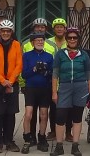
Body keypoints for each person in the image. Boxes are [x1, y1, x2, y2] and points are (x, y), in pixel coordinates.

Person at [51, 26, 90, 156]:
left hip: (80, 87)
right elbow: (55, 74)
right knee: (60, 116)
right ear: (66, 39)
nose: (72, 40)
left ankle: (75, 146)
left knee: (77, 117)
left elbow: (89, 74)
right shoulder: (60, 54)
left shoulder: (84, 55)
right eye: (69, 37)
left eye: (75, 37)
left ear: (78, 39)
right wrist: (54, 92)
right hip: (64, 86)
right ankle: (59, 146)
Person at [0, 19, 23, 153]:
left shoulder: (16, 45)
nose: (6, 33)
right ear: (0, 32)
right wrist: (2, 81)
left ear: (11, 32)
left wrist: (11, 80)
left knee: (10, 113)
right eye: (3, 31)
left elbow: (19, 64)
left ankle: (9, 140)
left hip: (12, 83)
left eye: (8, 31)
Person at [21, 17, 56, 149]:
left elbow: (52, 74)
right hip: (31, 88)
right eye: (37, 40)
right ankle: (27, 137)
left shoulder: (49, 56)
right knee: (28, 114)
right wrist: (34, 69)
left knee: (44, 114)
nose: (40, 42)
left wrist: (45, 71)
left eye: (42, 40)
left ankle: (41, 137)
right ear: (32, 42)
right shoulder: (27, 55)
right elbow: (24, 74)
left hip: (44, 88)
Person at [47, 17, 68, 141]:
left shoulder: (70, 41)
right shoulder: (48, 42)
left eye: (61, 27)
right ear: (53, 29)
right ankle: (53, 131)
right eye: (57, 27)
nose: (59, 29)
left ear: (65, 29)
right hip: (52, 79)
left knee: (68, 107)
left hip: (66, 79)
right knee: (53, 108)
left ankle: (69, 132)